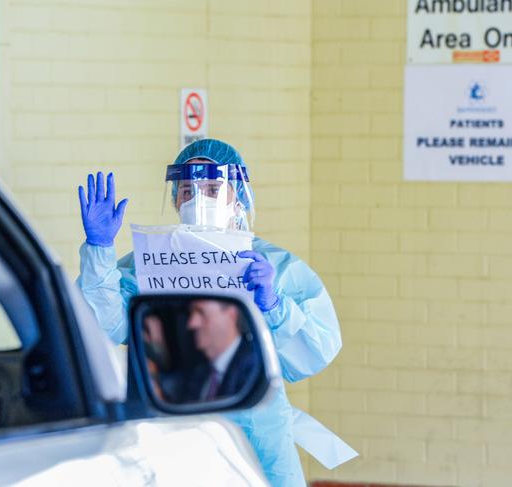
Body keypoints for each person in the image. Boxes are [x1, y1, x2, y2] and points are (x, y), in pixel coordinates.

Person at [76, 139, 352, 486]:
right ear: (175, 198)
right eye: (187, 190)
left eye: (211, 188)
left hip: (257, 430)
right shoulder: (148, 265)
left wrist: (275, 304)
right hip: (171, 426)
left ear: (237, 197)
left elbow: (318, 350)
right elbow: (106, 325)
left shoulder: (276, 267)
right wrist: (99, 250)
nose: (198, 200)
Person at [182, 299, 258, 402]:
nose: (192, 323)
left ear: (231, 314)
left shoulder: (254, 366)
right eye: (191, 313)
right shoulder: (199, 372)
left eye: (201, 312)